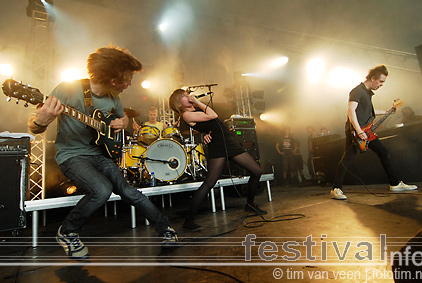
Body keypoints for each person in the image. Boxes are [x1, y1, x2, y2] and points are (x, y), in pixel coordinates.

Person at [28, 46, 177, 260]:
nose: (130, 84)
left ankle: (166, 230)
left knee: (129, 191)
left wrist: (124, 121)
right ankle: (68, 231)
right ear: (114, 79)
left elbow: (120, 123)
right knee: (101, 189)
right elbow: (34, 127)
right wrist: (39, 122)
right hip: (72, 155)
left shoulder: (114, 98)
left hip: (99, 154)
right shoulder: (68, 89)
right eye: (128, 79)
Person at [169, 89, 265, 231]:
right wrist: (196, 101)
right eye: (184, 96)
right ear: (179, 104)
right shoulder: (187, 114)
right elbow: (213, 115)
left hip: (229, 143)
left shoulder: (195, 111)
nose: (188, 96)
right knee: (209, 183)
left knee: (256, 171)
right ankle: (188, 221)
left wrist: (208, 131)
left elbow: (212, 122)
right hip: (219, 146)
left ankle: (250, 205)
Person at [330, 64, 417, 200]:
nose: (381, 85)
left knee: (384, 152)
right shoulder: (358, 91)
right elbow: (351, 110)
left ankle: (395, 184)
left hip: (367, 131)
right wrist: (358, 131)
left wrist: (388, 112)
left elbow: (369, 112)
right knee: (347, 159)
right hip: (356, 132)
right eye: (381, 81)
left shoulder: (368, 93)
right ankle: (336, 188)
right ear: (372, 78)